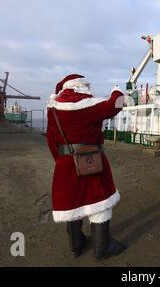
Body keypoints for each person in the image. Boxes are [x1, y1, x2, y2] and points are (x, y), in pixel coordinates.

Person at [46, 74, 126, 260]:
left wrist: (62, 161)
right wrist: (117, 90)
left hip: (65, 164)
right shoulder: (88, 105)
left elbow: (51, 141)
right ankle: (102, 249)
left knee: (73, 205)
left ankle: (76, 246)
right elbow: (116, 104)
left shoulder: (53, 108)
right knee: (99, 204)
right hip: (92, 162)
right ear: (82, 87)